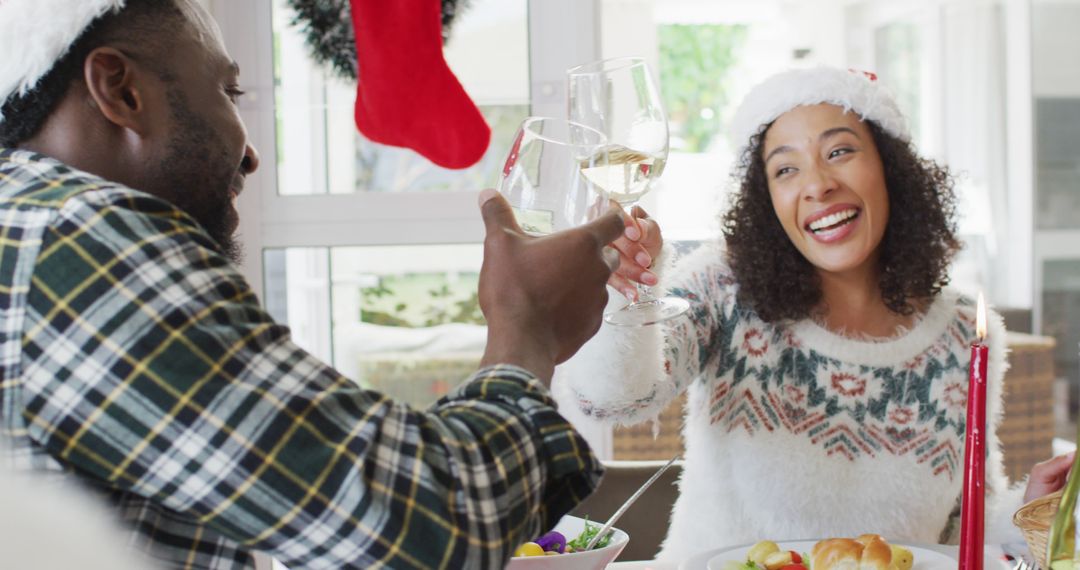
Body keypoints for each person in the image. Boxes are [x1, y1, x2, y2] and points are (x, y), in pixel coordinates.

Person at [0, 0, 645, 568]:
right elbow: (432, 533)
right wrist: (526, 325)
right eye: (230, 92)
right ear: (121, 89)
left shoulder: (22, 225)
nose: (250, 153)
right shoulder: (91, 241)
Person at [556, 66, 1071, 560]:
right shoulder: (723, 287)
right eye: (785, 168)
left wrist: (1027, 515)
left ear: (891, 168)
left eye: (840, 151)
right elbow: (609, 402)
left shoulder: (962, 331)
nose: (817, 183)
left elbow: (962, 527)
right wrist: (629, 291)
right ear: (768, 199)